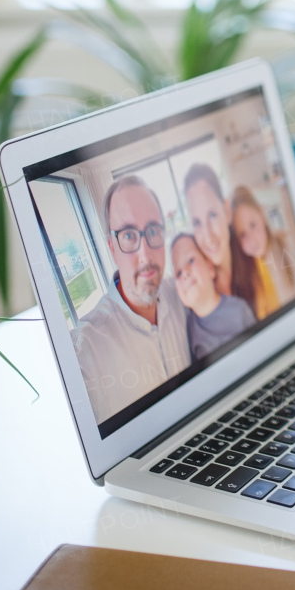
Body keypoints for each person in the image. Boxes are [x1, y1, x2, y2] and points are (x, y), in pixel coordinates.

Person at [74, 175, 189, 423]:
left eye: (153, 231)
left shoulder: (184, 294)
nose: (145, 253)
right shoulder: (84, 351)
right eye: (128, 235)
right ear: (111, 247)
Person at [182, 163, 270, 319]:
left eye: (212, 215)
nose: (208, 236)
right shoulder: (197, 288)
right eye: (197, 222)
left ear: (227, 211)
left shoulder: (255, 264)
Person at [170, 233, 256, 360]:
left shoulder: (239, 310)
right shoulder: (186, 331)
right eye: (178, 273)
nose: (185, 273)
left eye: (190, 260)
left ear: (210, 268)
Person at [231, 185, 295, 309]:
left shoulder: (287, 245)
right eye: (242, 234)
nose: (252, 240)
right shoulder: (248, 273)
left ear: (262, 215)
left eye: (253, 225)